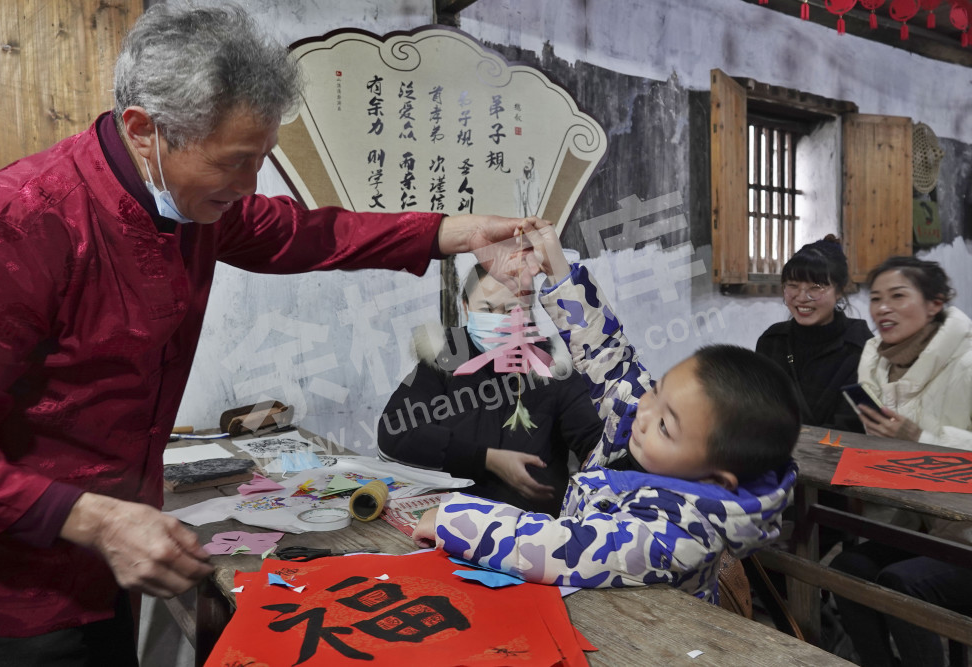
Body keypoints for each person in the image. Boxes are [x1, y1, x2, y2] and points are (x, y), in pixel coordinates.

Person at [0, 4, 545, 663]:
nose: (248, 187)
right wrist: (91, 516)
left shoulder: (192, 203)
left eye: (261, 161)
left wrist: (456, 232)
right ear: (144, 130)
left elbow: (309, 234)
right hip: (18, 593)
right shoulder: (18, 225)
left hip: (118, 567)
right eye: (235, 162)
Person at [412, 228, 800, 599]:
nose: (644, 412)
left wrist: (456, 520)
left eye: (665, 425)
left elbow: (561, 547)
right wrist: (559, 270)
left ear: (716, 479)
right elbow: (612, 362)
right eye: (658, 391)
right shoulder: (653, 430)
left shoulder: (677, 532)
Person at [830, 256, 972, 667]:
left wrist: (921, 439)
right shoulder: (875, 357)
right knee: (846, 568)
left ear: (934, 304)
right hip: (915, 519)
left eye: (898, 296)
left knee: (903, 583)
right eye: (875, 298)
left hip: (964, 534)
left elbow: (918, 439)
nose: (883, 309)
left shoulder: (966, 362)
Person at [377, 263, 603, 516]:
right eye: (486, 309)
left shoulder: (552, 366)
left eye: (510, 309)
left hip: (528, 531)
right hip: (449, 522)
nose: (498, 318)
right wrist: (486, 459)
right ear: (465, 307)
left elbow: (597, 444)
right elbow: (394, 430)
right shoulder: (447, 356)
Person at [755, 236, 872, 432]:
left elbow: (853, 428)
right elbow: (756, 409)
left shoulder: (861, 349)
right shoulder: (772, 341)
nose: (802, 298)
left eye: (815, 288)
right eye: (792, 285)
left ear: (840, 291)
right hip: (774, 456)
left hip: (835, 458)